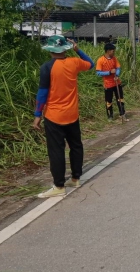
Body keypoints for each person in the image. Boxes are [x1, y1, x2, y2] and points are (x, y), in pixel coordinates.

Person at [33, 36, 94, 198]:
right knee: (76, 146)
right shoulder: (74, 63)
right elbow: (91, 64)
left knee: (56, 150)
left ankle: (59, 185)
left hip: (54, 116)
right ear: (66, 48)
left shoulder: (47, 68)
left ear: (50, 50)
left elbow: (42, 93)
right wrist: (78, 50)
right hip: (72, 114)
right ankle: (75, 178)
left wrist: (37, 115)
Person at [96, 43, 128, 123]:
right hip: (108, 84)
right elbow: (98, 73)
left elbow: (118, 68)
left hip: (116, 82)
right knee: (108, 101)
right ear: (108, 51)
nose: (114, 52)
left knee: (120, 99)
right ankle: (110, 116)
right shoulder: (101, 60)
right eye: (113, 51)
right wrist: (109, 72)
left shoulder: (114, 59)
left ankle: (122, 114)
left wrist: (117, 74)